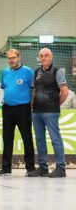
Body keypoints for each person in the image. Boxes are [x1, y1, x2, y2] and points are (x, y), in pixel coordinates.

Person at [32, 47, 69, 178]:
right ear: (39, 58)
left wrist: (56, 104)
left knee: (55, 139)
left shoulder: (58, 72)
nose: (44, 57)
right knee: (40, 140)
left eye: (46, 55)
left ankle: (61, 168)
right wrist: (32, 104)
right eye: (41, 55)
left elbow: (65, 91)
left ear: (51, 57)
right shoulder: (37, 72)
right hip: (36, 112)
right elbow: (34, 90)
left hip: (51, 112)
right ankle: (43, 168)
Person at [0, 48, 36, 176]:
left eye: (13, 58)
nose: (11, 60)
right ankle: (6, 167)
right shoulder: (5, 72)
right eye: (9, 58)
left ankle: (30, 168)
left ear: (19, 57)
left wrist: (31, 103)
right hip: (7, 108)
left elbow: (33, 88)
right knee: (7, 138)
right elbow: (5, 88)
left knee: (27, 138)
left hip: (23, 108)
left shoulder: (27, 71)